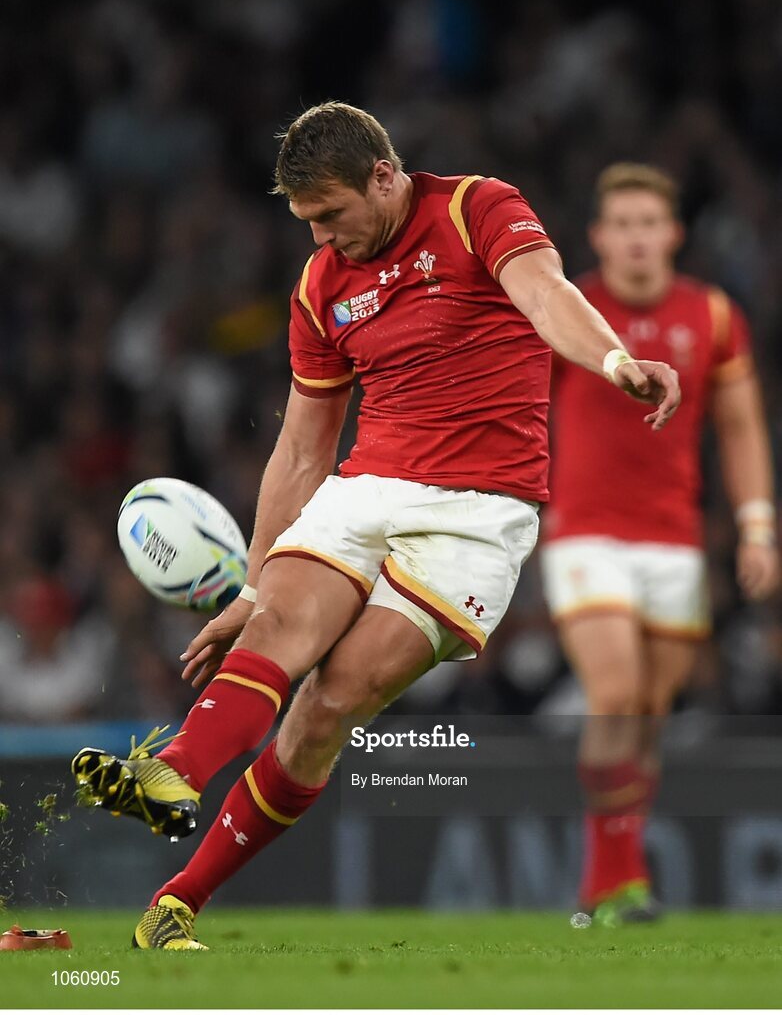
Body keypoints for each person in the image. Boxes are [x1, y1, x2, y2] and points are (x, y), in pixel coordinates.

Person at [72, 104, 679, 950]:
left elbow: (545, 293)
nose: (321, 237)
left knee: (329, 702)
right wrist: (251, 588)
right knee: (280, 621)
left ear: (385, 178)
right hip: (369, 486)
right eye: (307, 222)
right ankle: (172, 774)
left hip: (477, 515)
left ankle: (180, 899)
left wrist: (614, 359)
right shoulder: (323, 286)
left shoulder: (477, 208)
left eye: (330, 214)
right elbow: (300, 448)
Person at [539, 162, 779, 927]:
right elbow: (522, 408)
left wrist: (757, 525)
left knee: (645, 710)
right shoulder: (572, 314)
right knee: (612, 694)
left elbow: (740, 428)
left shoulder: (712, 317)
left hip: (674, 540)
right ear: (599, 236)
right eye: (624, 225)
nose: (638, 238)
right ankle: (618, 880)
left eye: (651, 223)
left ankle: (607, 892)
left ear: (673, 234)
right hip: (583, 533)